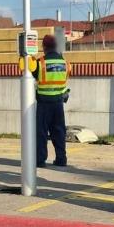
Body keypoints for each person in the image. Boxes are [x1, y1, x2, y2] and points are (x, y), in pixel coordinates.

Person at [32, 34, 70, 168]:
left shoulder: (40, 62)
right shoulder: (65, 63)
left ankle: (40, 160)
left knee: (41, 133)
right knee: (59, 132)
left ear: (44, 47)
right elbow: (65, 80)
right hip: (59, 103)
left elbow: (32, 75)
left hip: (44, 103)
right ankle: (61, 159)